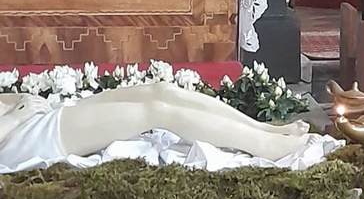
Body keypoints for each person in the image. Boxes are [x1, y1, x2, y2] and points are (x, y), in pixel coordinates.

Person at [0, 83, 312, 173]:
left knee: (161, 90)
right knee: (155, 112)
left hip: (36, 116)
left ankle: (262, 128)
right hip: (27, 138)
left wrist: (20, 101)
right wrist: (14, 118)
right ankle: (262, 146)